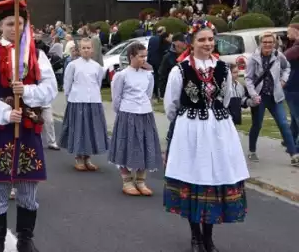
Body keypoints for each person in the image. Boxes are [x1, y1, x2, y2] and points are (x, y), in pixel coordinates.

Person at [0, 0, 57, 252]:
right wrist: (5, 112)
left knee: (28, 189)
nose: (15, 28)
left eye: (20, 23)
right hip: (0, 131)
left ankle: (25, 238)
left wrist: (28, 91)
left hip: (28, 130)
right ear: (1, 25)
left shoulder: (37, 55)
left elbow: (51, 89)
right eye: (10, 23)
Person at [164, 19, 248, 252]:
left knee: (214, 178)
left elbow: (227, 97)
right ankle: (195, 236)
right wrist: (186, 123)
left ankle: (208, 237)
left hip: (218, 130)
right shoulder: (180, 70)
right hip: (190, 129)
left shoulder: (222, 68)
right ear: (191, 42)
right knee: (192, 178)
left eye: (211, 39)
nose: (207, 43)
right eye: (202, 39)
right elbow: (170, 104)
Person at [108, 42, 161, 196]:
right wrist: (122, 112)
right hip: (127, 113)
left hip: (145, 113)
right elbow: (116, 97)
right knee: (126, 145)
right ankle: (127, 180)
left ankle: (140, 180)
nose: (144, 59)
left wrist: (145, 107)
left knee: (145, 145)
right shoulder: (122, 75)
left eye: (145, 56)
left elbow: (148, 94)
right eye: (141, 56)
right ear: (132, 56)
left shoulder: (148, 75)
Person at [245, 31, 299, 166]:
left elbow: (287, 67)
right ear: (260, 43)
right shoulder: (253, 58)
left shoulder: (278, 55)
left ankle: (294, 155)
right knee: (257, 125)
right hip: (259, 97)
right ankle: (252, 150)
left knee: (284, 124)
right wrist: (253, 94)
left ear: (274, 43)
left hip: (275, 96)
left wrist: (283, 80)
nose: (268, 45)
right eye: (265, 42)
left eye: (270, 42)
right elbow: (248, 78)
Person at [59, 38, 108, 171]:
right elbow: (67, 83)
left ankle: (88, 157)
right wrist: (69, 98)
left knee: (91, 130)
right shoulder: (73, 65)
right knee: (79, 129)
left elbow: (97, 83)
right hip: (77, 101)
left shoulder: (97, 67)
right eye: (83, 48)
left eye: (88, 48)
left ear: (92, 50)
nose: (86, 50)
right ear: (79, 50)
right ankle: (79, 157)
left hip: (93, 101)